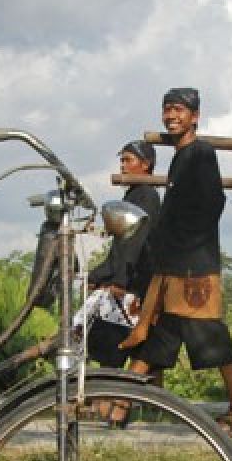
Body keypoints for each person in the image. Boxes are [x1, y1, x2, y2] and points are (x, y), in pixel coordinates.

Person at [119, 87, 232, 433]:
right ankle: (119, 405)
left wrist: (185, 246)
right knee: (160, 335)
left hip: (194, 270)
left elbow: (213, 204)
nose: (171, 115)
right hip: (173, 268)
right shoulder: (180, 158)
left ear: (195, 117)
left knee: (212, 338)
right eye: (166, 110)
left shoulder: (200, 153)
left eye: (179, 110)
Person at [78, 140, 161, 373]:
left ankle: (108, 403)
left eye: (128, 160)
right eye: (121, 160)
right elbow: (119, 248)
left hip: (135, 284)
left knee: (112, 351)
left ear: (146, 165)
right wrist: (97, 275)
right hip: (128, 279)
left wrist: (118, 281)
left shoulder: (146, 196)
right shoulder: (134, 196)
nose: (123, 166)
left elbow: (134, 244)